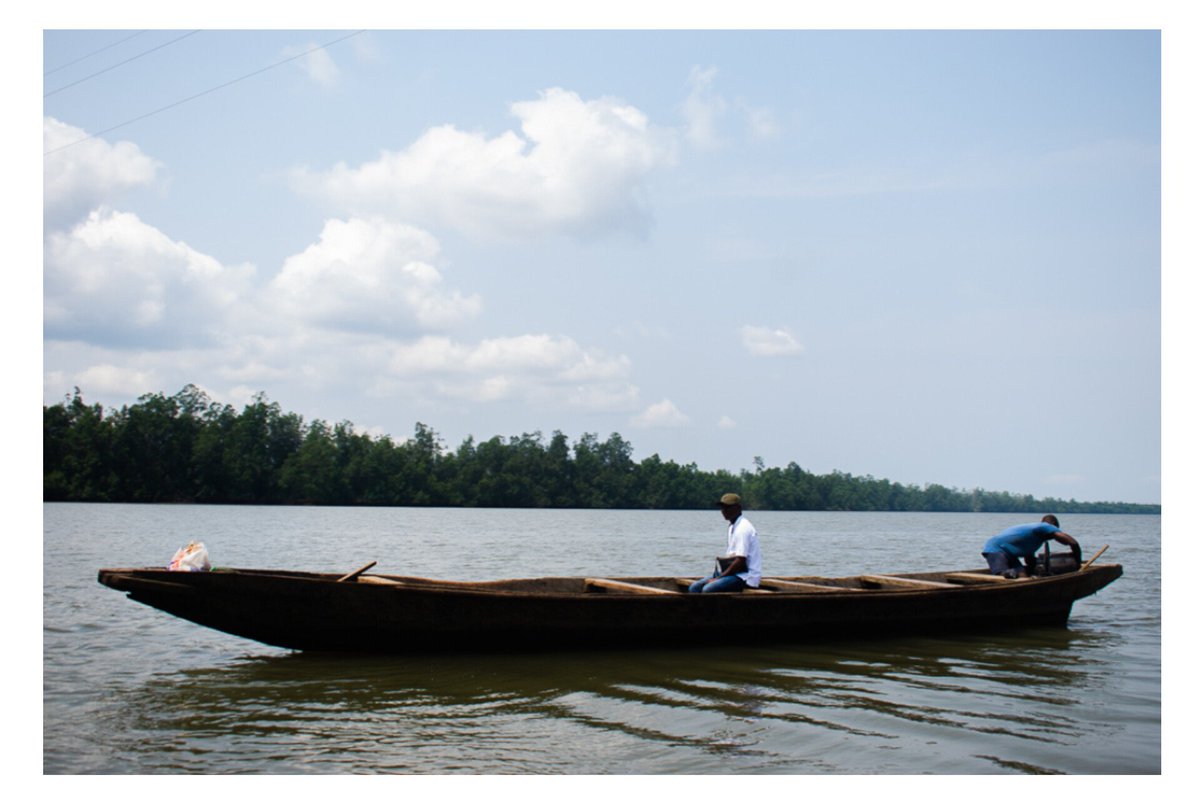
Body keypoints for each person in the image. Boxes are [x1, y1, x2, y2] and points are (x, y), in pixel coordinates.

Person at [689, 493, 762, 593]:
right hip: (734, 574)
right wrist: (720, 576)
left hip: (746, 577)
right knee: (694, 587)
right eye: (722, 508)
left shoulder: (743, 528)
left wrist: (719, 578)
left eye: (728, 508)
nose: (724, 511)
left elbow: (740, 561)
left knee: (708, 589)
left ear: (738, 508)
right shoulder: (732, 526)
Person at [981, 515, 1082, 578]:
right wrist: (1077, 561)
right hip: (995, 549)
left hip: (1010, 554)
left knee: (1023, 577)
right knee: (1004, 573)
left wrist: (1040, 571)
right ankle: (1006, 573)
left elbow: (1029, 561)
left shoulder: (1035, 539)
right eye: (1054, 530)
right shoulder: (1044, 526)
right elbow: (1072, 542)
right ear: (1053, 526)